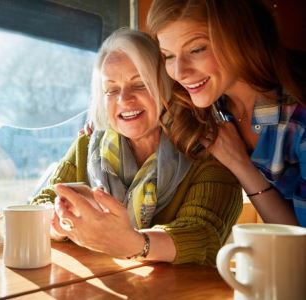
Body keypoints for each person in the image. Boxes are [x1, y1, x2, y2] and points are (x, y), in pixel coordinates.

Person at [31, 28, 242, 265]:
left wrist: (134, 244)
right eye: (111, 89)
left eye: (140, 84)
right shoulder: (87, 144)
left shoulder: (210, 152)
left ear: (166, 86)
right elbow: (39, 206)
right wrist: (61, 223)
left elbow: (205, 234)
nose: (124, 100)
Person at [146, 0, 306, 226]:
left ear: (239, 38)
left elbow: (299, 245)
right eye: (168, 56)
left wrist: (241, 165)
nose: (179, 72)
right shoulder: (210, 106)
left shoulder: (297, 117)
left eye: (197, 49)